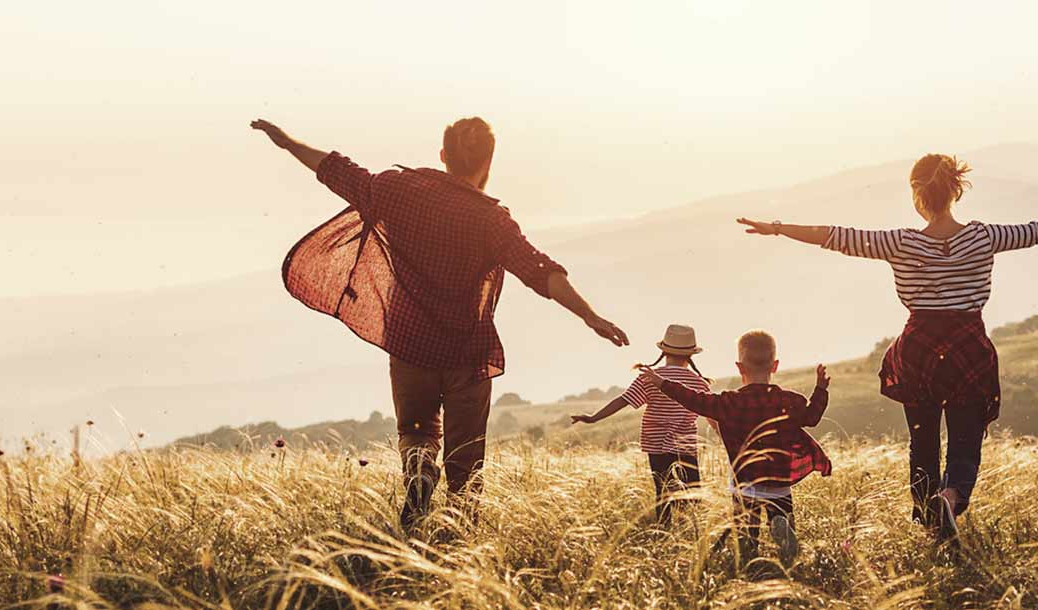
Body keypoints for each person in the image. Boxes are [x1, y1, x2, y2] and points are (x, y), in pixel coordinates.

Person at [733, 153, 1038, 545]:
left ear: (916, 195)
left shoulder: (899, 243)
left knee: (923, 441)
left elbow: (834, 237)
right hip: (968, 348)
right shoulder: (984, 236)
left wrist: (778, 227)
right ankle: (951, 498)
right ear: (955, 191)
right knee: (966, 439)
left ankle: (930, 518)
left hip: (919, 351)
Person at [250, 117, 630, 531]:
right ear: (488, 163)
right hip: (467, 353)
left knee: (416, 433)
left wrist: (287, 143)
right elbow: (539, 270)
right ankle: (460, 539)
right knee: (466, 457)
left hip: (411, 344)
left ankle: (418, 476)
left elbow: (337, 170)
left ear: (444, 156)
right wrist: (589, 315)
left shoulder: (397, 191)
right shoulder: (492, 220)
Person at [638, 330, 830, 568]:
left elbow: (694, 399)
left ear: (740, 367)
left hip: (745, 484)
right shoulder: (790, 401)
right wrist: (820, 389)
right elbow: (812, 417)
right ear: (775, 365)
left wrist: (663, 383)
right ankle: (782, 532)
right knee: (781, 517)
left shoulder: (728, 402)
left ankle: (750, 562)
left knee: (746, 538)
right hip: (779, 484)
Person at [571, 324, 713, 525]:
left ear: (663, 351)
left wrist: (593, 417)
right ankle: (690, 530)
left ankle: (664, 530)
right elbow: (712, 413)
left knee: (662, 490)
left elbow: (623, 400)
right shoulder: (699, 382)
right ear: (691, 354)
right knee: (691, 490)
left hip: (656, 445)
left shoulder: (649, 378)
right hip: (686, 445)